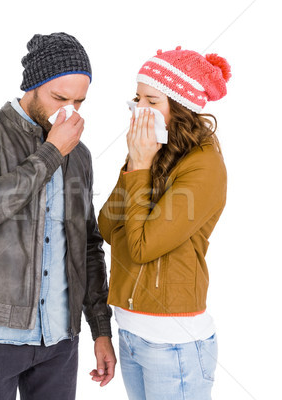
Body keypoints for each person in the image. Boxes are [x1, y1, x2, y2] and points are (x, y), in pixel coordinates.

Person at [0, 32, 116, 400]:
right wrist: (51, 151)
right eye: (60, 98)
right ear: (33, 86)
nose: (69, 111)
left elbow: (88, 245)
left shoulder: (80, 154)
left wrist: (100, 329)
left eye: (79, 101)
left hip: (60, 339)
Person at [97, 46, 232, 400]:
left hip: (174, 344)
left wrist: (139, 167)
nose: (138, 110)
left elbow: (140, 248)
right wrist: (135, 163)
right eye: (136, 98)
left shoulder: (204, 166)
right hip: (130, 332)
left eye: (151, 101)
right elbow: (109, 229)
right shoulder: (152, 153)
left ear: (180, 106)